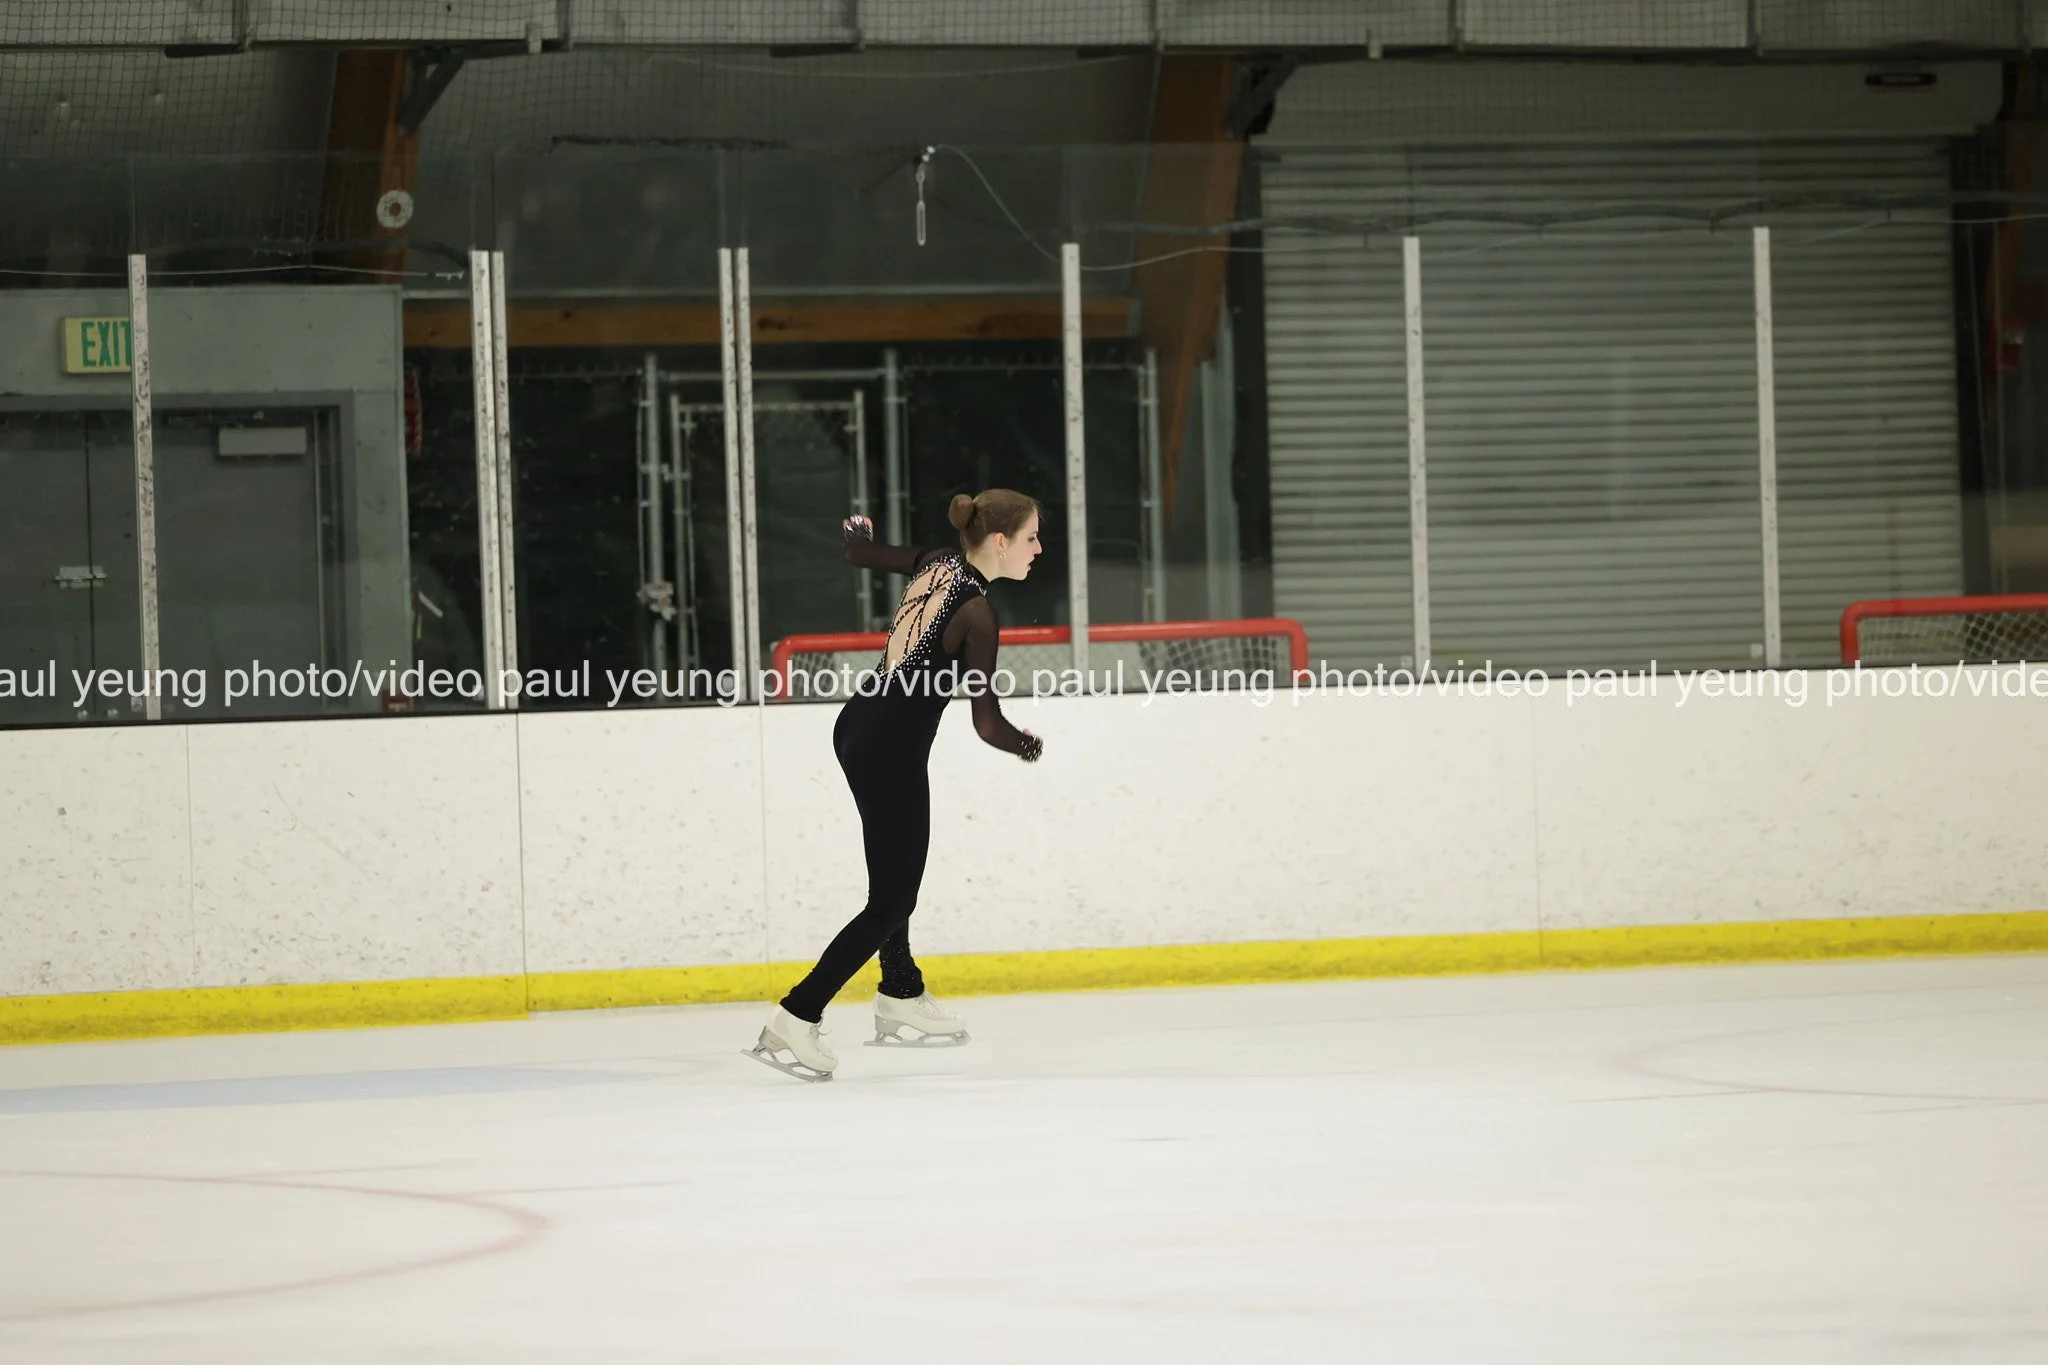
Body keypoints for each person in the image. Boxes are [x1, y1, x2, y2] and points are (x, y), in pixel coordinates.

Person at [746, 489, 1045, 1082]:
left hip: (859, 725)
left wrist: (857, 531)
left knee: (893, 878)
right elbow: (987, 724)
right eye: (1032, 537)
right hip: (889, 750)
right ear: (1001, 542)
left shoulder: (938, 560)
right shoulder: (978, 615)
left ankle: (901, 990)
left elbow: (860, 555)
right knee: (892, 900)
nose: (1039, 549)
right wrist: (1026, 745)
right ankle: (797, 1015)